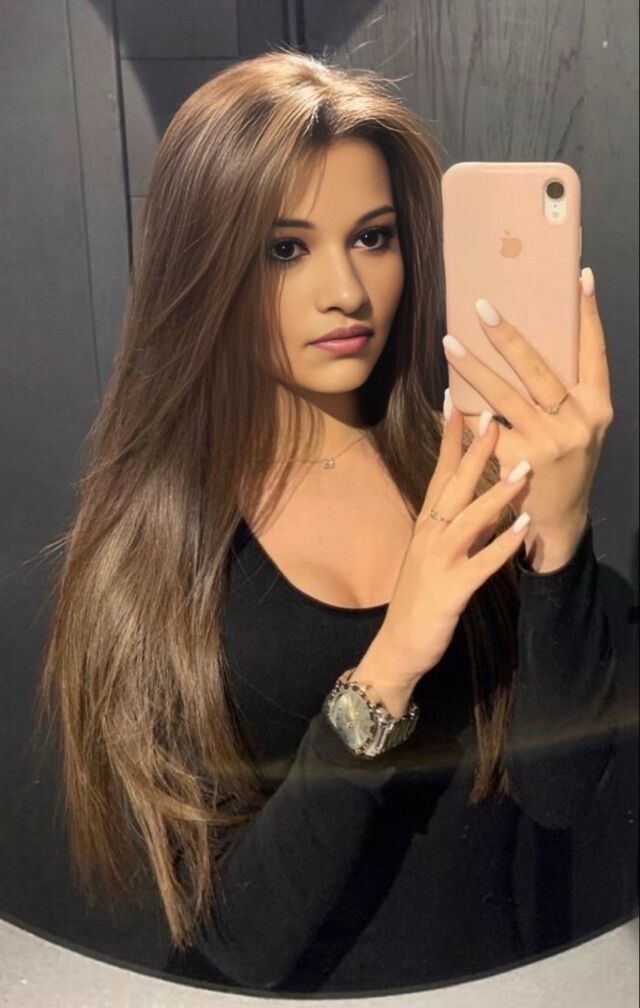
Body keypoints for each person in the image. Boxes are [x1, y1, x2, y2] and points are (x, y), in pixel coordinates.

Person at [40, 48, 619, 994]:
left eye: (374, 237)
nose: (346, 290)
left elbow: (559, 800)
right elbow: (234, 942)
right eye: (286, 248)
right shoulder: (158, 548)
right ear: (207, 261)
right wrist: (393, 661)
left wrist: (560, 536)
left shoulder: (472, 469)